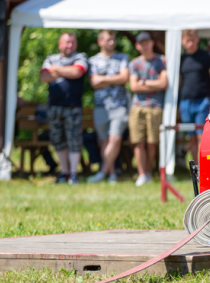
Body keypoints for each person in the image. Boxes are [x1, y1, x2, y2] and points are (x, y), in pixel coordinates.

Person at [40, 33, 87, 185]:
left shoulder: (81, 57)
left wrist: (57, 70)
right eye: (66, 42)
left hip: (73, 107)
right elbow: (44, 77)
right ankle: (64, 173)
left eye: (72, 42)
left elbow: (77, 72)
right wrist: (67, 71)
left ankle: (74, 174)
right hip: (54, 107)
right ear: (60, 44)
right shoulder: (50, 59)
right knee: (57, 140)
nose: (69, 45)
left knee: (74, 141)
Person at [87, 30, 129, 184]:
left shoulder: (122, 57)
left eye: (113, 39)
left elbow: (124, 78)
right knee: (104, 142)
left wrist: (103, 79)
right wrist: (114, 78)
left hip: (119, 106)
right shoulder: (92, 61)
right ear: (100, 42)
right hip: (101, 107)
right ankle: (112, 174)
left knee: (115, 139)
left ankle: (102, 172)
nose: (112, 42)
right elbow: (94, 83)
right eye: (108, 40)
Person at [129, 32, 167, 186]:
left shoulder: (162, 60)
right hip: (137, 107)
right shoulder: (134, 63)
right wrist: (153, 83)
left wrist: (143, 82)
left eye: (147, 42)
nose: (145, 46)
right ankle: (141, 174)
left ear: (152, 43)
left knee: (152, 142)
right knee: (138, 141)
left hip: (155, 107)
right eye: (141, 43)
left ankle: (148, 172)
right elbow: (133, 86)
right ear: (137, 46)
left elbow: (163, 83)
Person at [179, 29, 210, 165]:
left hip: (203, 101)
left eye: (192, 40)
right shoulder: (181, 59)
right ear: (182, 41)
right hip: (186, 103)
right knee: (191, 138)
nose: (190, 43)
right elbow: (179, 82)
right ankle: (197, 170)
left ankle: (204, 168)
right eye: (187, 40)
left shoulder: (207, 56)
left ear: (197, 40)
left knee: (201, 137)